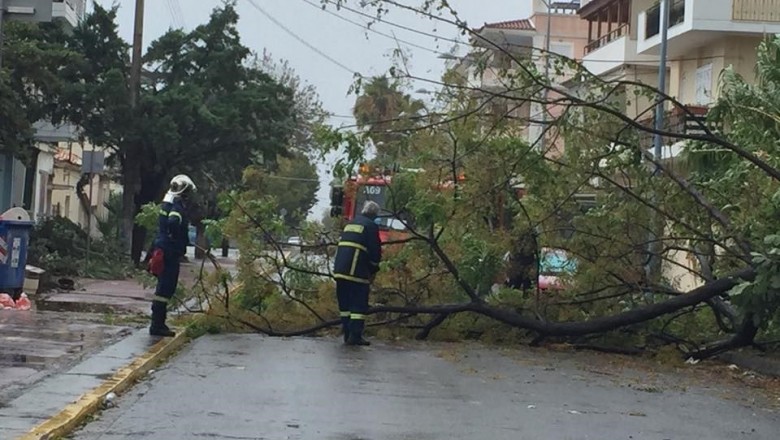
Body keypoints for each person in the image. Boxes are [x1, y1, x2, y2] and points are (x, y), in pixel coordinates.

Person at [148, 174, 197, 337]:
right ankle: (157, 325)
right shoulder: (176, 206)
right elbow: (173, 222)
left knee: (162, 287)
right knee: (166, 288)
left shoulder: (166, 203)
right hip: (169, 252)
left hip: (163, 248)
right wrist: (176, 239)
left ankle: (157, 322)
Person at [333, 201, 382, 346]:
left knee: (345, 304)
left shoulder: (351, 223)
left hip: (340, 271)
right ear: (374, 214)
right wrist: (373, 269)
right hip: (356, 271)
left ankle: (347, 334)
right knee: (358, 305)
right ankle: (355, 336)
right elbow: (375, 251)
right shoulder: (371, 226)